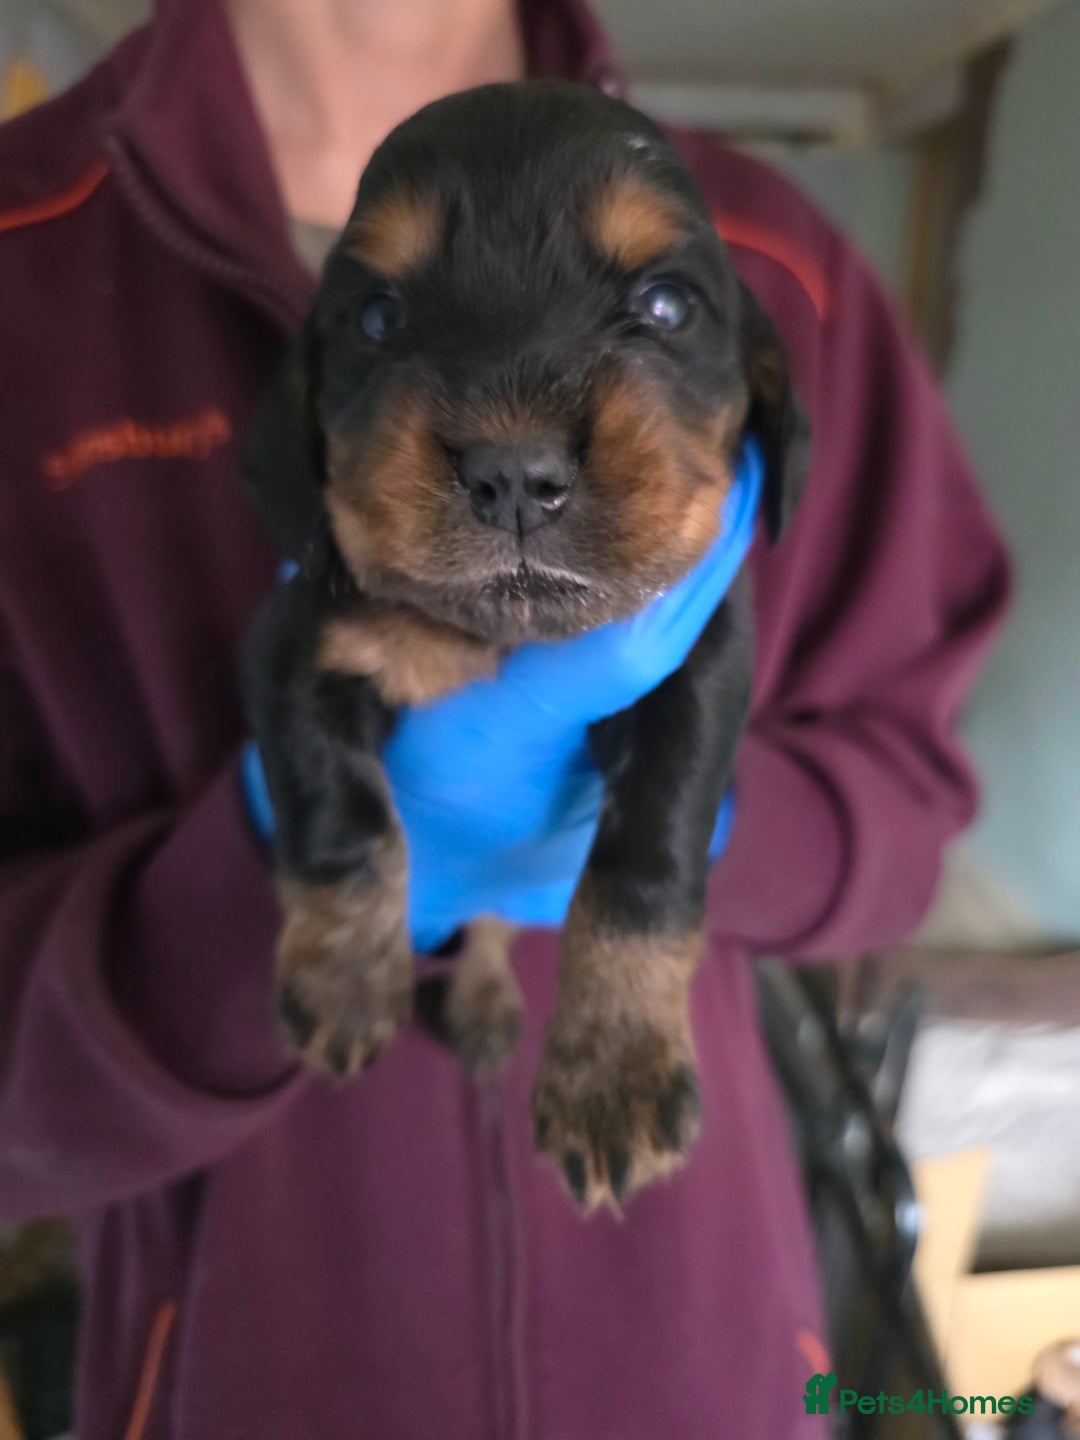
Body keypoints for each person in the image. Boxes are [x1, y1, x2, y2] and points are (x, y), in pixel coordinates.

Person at [0, 0, 1009, 1436]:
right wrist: (250, 896)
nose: (518, 456)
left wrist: (702, 825)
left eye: (661, 310)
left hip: (707, 1366)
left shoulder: (782, 258)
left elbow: (913, 809)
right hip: (237, 1385)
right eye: (381, 315)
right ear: (304, 413)